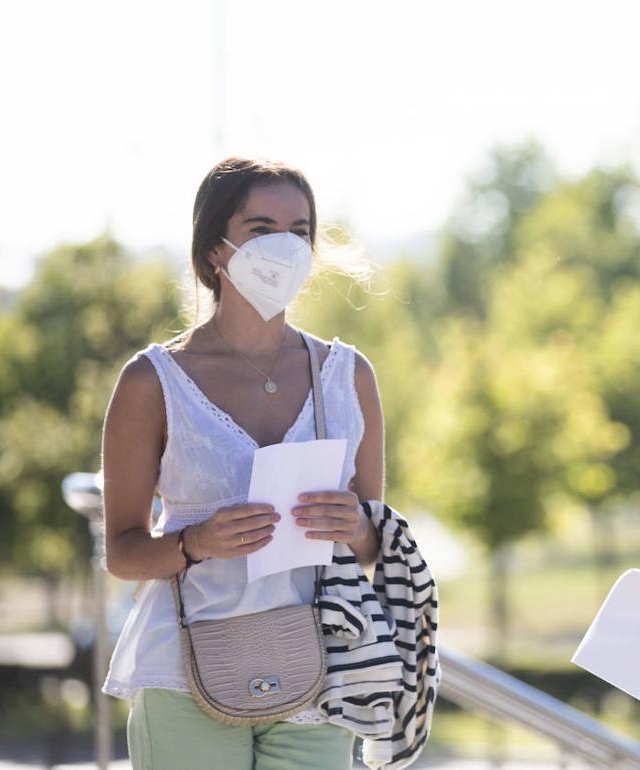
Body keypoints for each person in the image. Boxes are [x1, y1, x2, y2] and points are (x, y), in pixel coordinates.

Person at [99, 157, 385, 770]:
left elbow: (375, 546)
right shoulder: (151, 381)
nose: (284, 247)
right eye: (261, 229)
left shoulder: (350, 377)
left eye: (300, 232)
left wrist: (356, 525)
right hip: (183, 668)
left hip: (320, 668)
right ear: (213, 251)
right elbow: (122, 554)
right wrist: (195, 542)